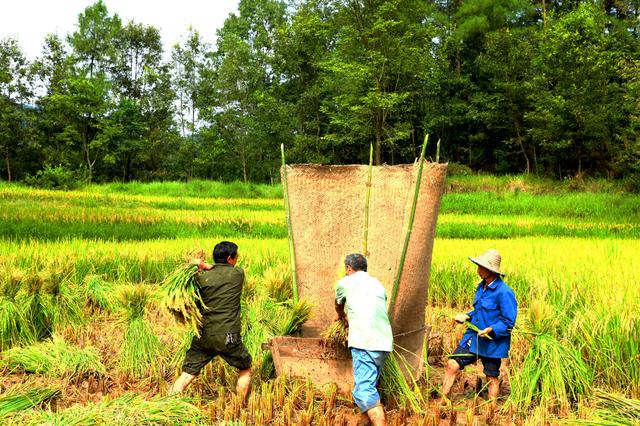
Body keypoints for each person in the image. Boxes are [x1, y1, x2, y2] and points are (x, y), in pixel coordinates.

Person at [169, 241, 252, 401]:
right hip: (228, 337)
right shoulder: (237, 274)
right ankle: (239, 405)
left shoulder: (200, 279)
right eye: (236, 256)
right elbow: (223, 271)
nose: (237, 259)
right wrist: (204, 265)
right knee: (245, 367)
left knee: (188, 373)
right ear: (230, 259)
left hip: (203, 335)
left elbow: (210, 273)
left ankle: (168, 403)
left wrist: (199, 265)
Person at [441, 249, 517, 408]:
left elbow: (508, 321)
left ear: (491, 270)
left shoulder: (504, 292)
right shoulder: (481, 287)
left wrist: (491, 329)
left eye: (481, 267)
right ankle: (443, 400)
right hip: (474, 336)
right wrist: (467, 316)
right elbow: (479, 310)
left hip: (492, 341)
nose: (478, 269)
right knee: (452, 364)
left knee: (491, 377)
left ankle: (491, 408)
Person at [335, 253, 393, 426]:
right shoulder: (378, 284)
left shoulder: (345, 282)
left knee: (364, 391)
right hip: (384, 342)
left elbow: (338, 304)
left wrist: (341, 318)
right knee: (370, 385)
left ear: (348, 268)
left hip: (364, 341)